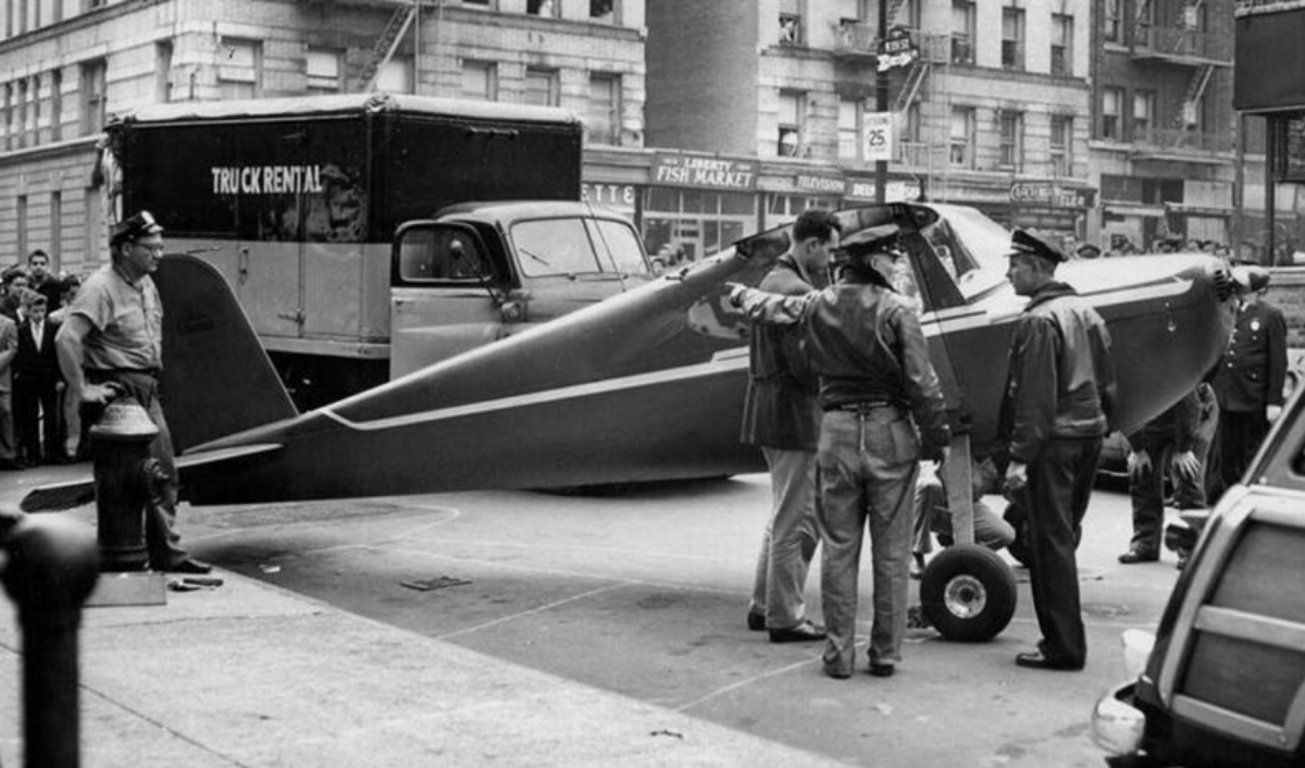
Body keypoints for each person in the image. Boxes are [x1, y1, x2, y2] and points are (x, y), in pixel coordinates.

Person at [729, 224, 951, 679]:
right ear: (873, 262)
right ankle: (885, 654)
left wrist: (738, 295)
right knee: (890, 554)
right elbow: (922, 383)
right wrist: (937, 438)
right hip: (891, 433)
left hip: (835, 431)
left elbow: (767, 306)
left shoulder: (815, 304)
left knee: (839, 549)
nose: (897, 265)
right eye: (891, 258)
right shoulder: (899, 310)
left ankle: (837, 656)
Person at [55, 211, 211, 574]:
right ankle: (131, 556)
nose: (159, 254)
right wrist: (83, 389)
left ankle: (163, 553)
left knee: (162, 473)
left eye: (161, 247)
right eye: (152, 248)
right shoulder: (101, 288)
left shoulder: (144, 283)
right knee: (139, 476)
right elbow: (67, 338)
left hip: (144, 387)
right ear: (126, 248)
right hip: (119, 391)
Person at [1000, 228, 1115, 672]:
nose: (1009, 274)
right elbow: (1110, 383)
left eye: (1014, 265)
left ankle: (1063, 647)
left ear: (1035, 267)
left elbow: (1034, 399)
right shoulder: (1085, 311)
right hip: (1088, 437)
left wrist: (1019, 458)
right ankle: (1064, 642)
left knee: (1050, 547)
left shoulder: (1038, 320)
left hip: (1055, 444)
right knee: (1061, 539)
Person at [741, 209, 840, 643]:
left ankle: (764, 607)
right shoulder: (798, 290)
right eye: (830, 247)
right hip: (795, 414)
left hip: (770, 410)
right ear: (812, 244)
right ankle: (786, 616)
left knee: (782, 514)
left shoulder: (773, 280)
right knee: (797, 520)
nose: (832, 257)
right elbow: (807, 367)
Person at [1208, 266, 1286, 504]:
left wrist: (1273, 401)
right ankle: (1229, 496)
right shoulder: (1230, 311)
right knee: (1227, 455)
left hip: (1253, 397)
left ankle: (1250, 500)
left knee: (1252, 454)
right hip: (1228, 396)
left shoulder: (1269, 315)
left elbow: (1277, 361)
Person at [1117, 387, 1203, 564]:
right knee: (1141, 474)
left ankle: (1191, 548)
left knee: (1187, 477)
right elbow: (1126, 404)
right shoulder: (1132, 366)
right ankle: (1145, 544)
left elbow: (1188, 400)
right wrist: (1137, 448)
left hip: (1184, 415)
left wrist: (1184, 448)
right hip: (1148, 420)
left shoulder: (1175, 362)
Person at [911, 456, 1015, 572]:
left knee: (1006, 534)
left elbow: (1004, 486)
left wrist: (1011, 487)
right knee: (928, 485)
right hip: (933, 503)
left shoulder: (992, 458)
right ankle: (915, 553)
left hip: (966, 505)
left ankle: (957, 556)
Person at [14, 293, 62, 465]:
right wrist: (18, 375)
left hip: (49, 377)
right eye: (35, 311)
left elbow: (59, 355)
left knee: (51, 415)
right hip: (28, 378)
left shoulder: (53, 327)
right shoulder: (21, 330)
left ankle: (52, 453)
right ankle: (34, 455)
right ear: (28, 311)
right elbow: (17, 355)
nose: (39, 314)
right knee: (30, 416)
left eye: (42, 310)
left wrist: (60, 378)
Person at [0, 305, 15, 470]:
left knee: (5, 413)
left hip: (2, 378)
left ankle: (8, 454)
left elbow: (12, 349)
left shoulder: (8, 324)